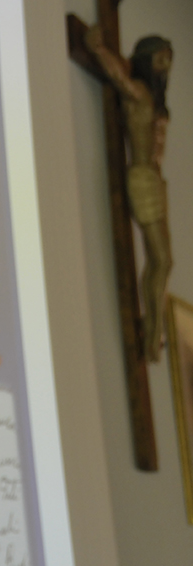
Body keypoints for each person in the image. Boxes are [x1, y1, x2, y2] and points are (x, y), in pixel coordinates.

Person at [85, 27, 174, 362]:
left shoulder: (156, 102)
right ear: (146, 62)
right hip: (142, 177)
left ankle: (153, 328)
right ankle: (153, 332)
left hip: (155, 179)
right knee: (162, 260)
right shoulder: (139, 93)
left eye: (169, 62)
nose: (165, 68)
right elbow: (119, 78)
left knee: (162, 260)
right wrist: (98, 50)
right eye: (160, 60)